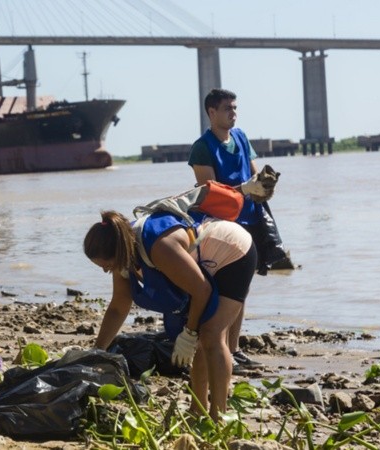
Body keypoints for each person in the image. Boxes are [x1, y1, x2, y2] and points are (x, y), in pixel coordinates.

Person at [84, 208, 257, 420]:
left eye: (107, 265)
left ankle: (218, 415)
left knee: (211, 334)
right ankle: (197, 409)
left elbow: (201, 290)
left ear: (117, 252)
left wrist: (189, 333)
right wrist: (98, 350)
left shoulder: (159, 247)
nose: (106, 270)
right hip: (202, 267)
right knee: (203, 335)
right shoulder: (124, 258)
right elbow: (118, 307)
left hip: (233, 251)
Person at [188, 88, 277, 371]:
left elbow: (253, 174)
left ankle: (234, 350)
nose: (233, 113)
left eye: (235, 107)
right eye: (227, 108)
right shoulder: (202, 147)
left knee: (242, 290)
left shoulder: (240, 136)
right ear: (211, 112)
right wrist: (245, 189)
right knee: (224, 292)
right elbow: (209, 193)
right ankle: (220, 349)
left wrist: (264, 184)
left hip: (249, 221)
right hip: (222, 227)